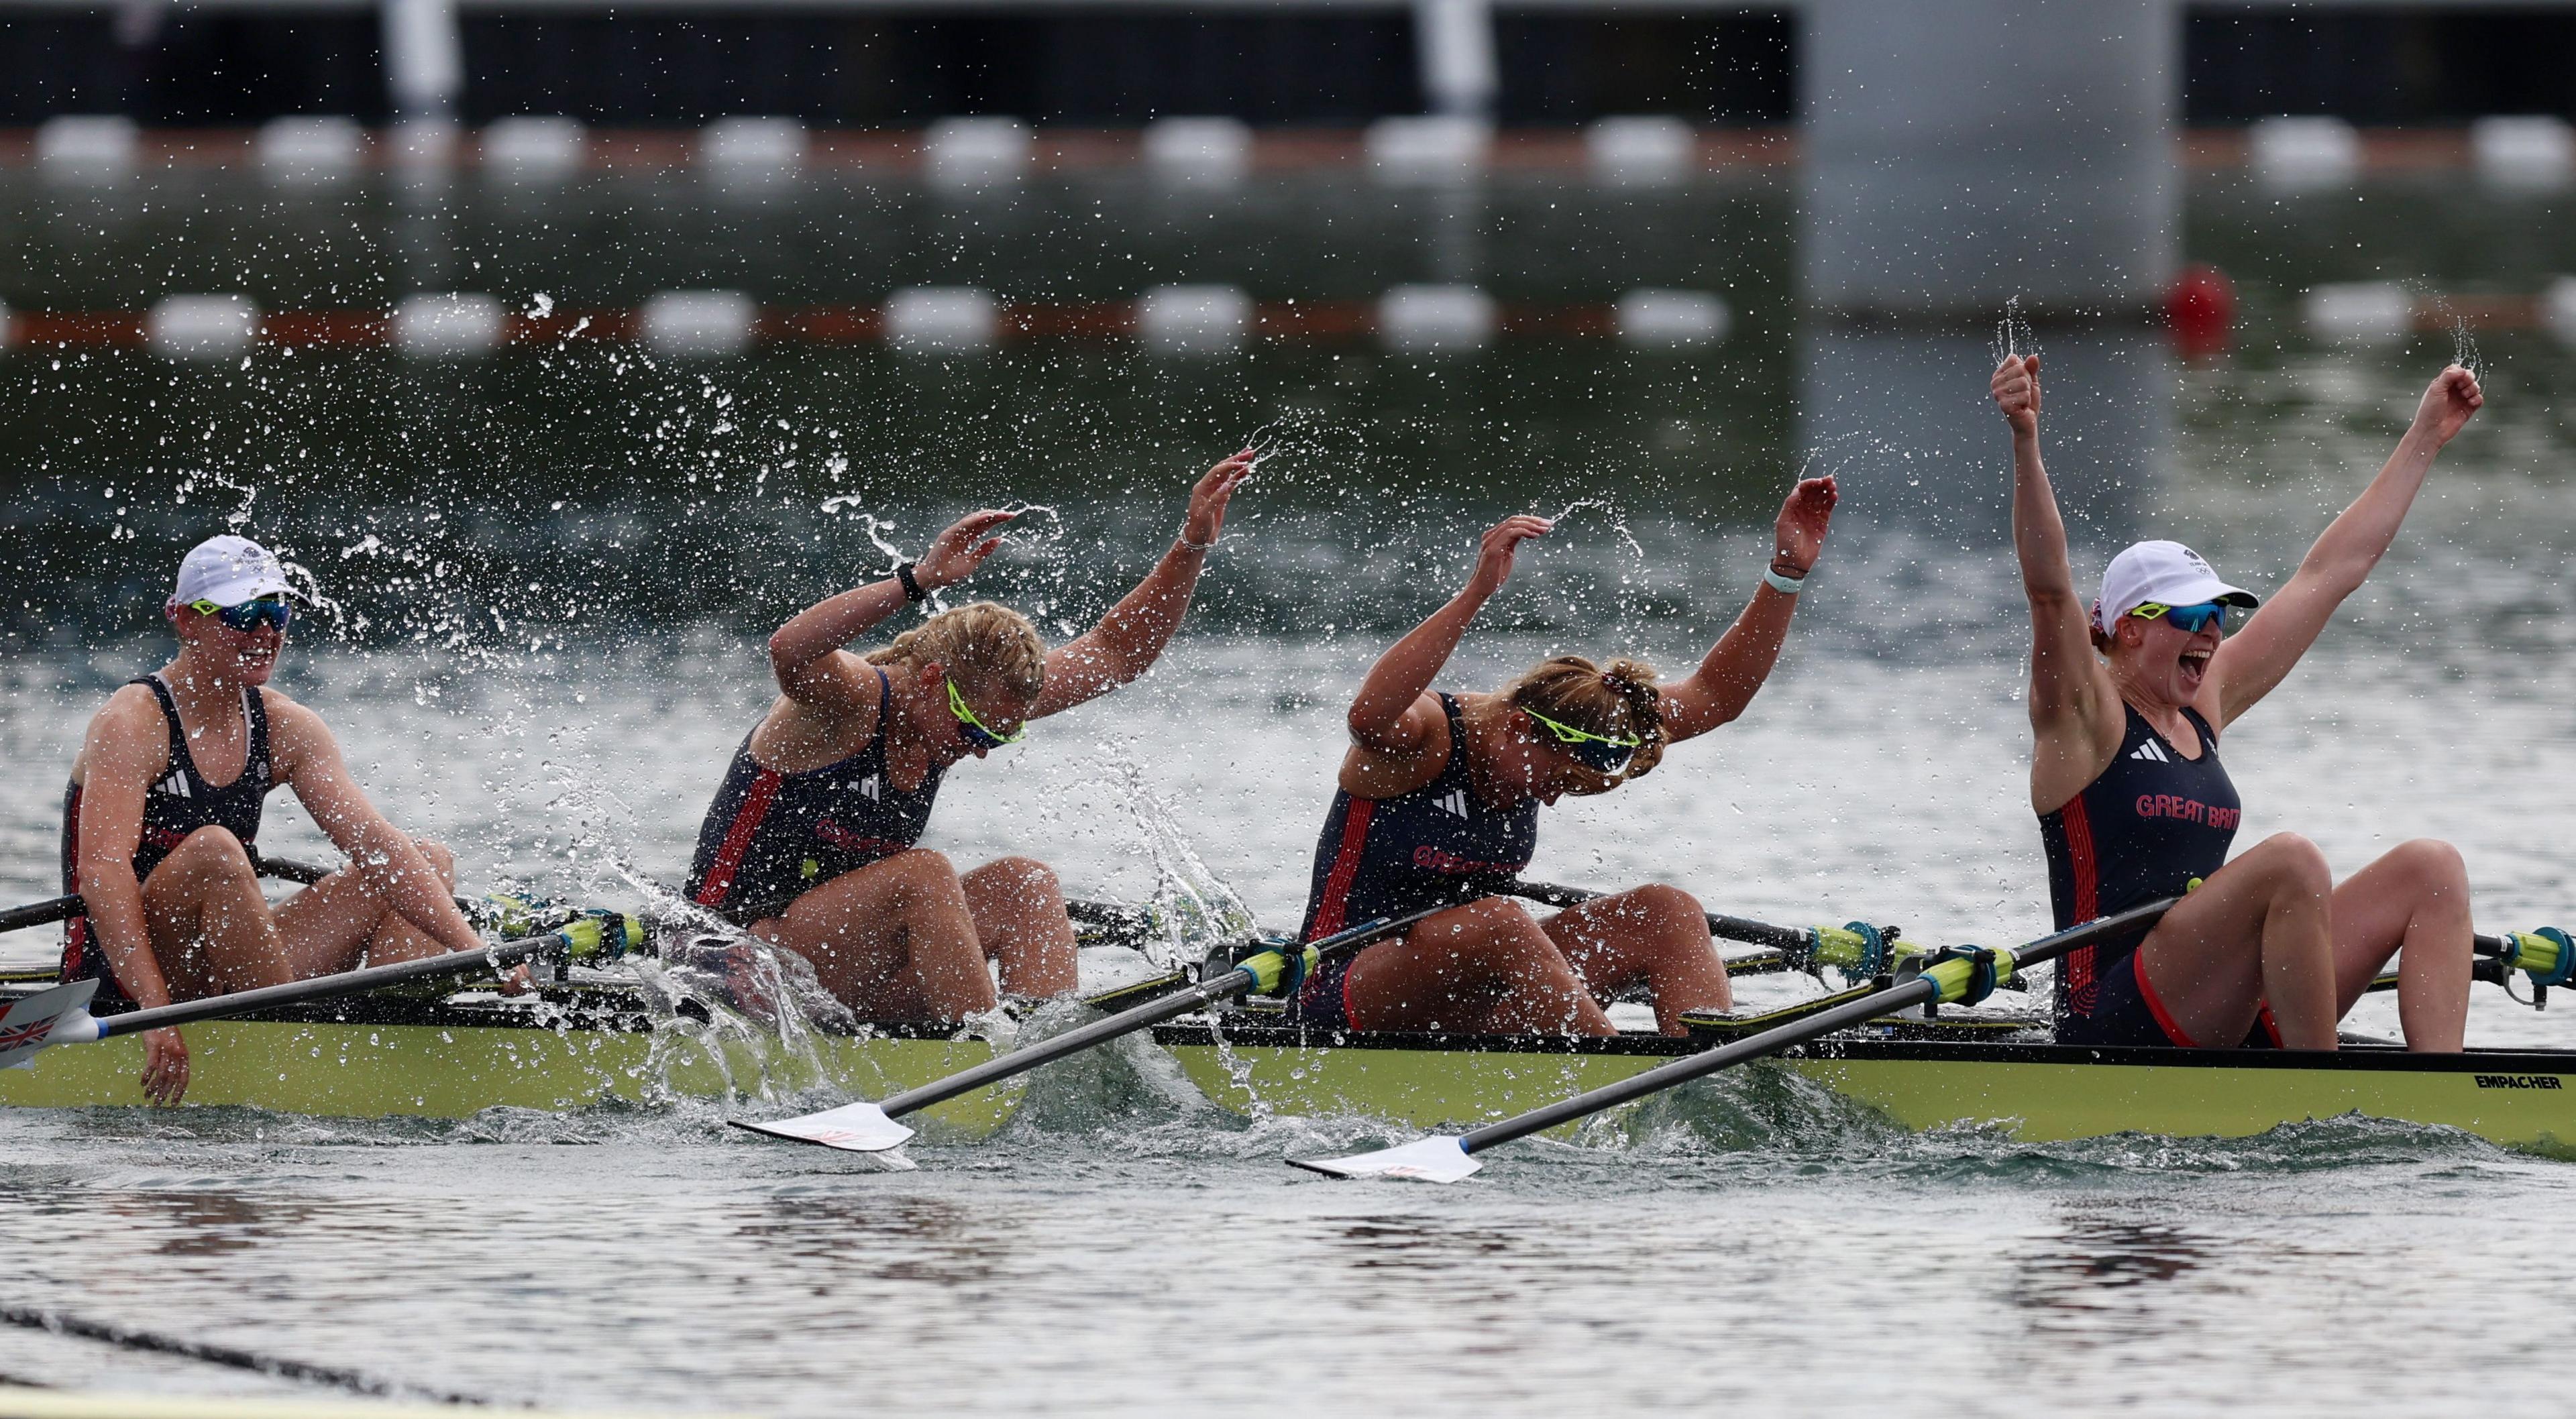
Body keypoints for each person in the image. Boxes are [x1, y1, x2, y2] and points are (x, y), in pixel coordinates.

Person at [1994, 354, 2487, 1052]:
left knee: (2432, 869)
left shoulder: (2204, 701)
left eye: (2218, 616)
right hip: (2110, 1014)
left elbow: (2331, 573)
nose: (2211, 633)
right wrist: (2025, 439)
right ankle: (2318, 1105)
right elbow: (2047, 589)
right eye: (2190, 618)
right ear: (2130, 628)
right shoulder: (2085, 715)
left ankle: (2448, 1098)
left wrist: (2425, 436)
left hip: (2216, 1000)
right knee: (2291, 861)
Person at [683, 450, 1254, 1022]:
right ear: (932, 679)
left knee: (1025, 884)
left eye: (1001, 739)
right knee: (923, 874)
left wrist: (1193, 543)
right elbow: (790, 648)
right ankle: (987, 1059)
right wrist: (918, 580)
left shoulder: (965, 706)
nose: (981, 749)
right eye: (976, 731)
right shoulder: (847, 702)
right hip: (737, 960)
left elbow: (1116, 653)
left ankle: (1039, 1048)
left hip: (839, 972)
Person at [1289, 478, 1839, 1037]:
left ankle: (1709, 1080)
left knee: (1666, 911)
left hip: (1475, 995)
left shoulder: (1592, 720)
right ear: (1521, 726)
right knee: (1501, 921)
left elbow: (1716, 697)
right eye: (1554, 778)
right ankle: (1622, 1081)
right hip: (1342, 992)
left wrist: (1785, 574)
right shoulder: (1427, 738)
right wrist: (1477, 593)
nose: (1551, 797)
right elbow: (1367, 718)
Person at [63, 534, 501, 1105]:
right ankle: (302, 1053)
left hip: (229, 962)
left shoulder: (288, 725)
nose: (266, 631)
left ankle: (384, 1047)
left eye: (277, 612)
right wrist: (154, 1013)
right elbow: (102, 874)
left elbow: (373, 842)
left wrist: (479, 955)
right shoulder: (133, 722)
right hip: (130, 970)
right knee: (216, 851)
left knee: (426, 860)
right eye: (245, 614)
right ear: (186, 620)